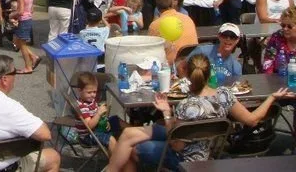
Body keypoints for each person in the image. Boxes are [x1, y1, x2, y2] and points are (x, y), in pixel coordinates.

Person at [107, 54, 290, 171]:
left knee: (134, 148)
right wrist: (271, 98)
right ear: (209, 73)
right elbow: (252, 120)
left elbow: (177, 144)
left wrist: (166, 113)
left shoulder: (186, 106)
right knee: (130, 133)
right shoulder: (224, 95)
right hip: (207, 147)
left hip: (188, 158)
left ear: (187, 75)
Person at [148, 0, 198, 65]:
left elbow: (151, 49)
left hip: (170, 66)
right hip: (193, 61)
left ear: (157, 9)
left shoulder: (155, 25)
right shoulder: (188, 19)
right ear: (172, 4)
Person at [74, 72, 117, 152]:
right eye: (89, 92)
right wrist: (98, 113)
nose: (93, 95)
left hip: (97, 129)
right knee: (111, 140)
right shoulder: (82, 106)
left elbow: (98, 118)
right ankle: (117, 162)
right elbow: (89, 126)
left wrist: (105, 121)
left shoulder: (91, 101)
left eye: (94, 92)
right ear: (80, 90)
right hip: (88, 136)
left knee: (117, 121)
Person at [10, 0, 41, 73]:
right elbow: (31, 10)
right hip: (29, 19)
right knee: (17, 40)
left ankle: (28, 67)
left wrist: (11, 15)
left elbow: (20, 11)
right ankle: (33, 56)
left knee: (22, 45)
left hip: (23, 20)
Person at [262, 6, 296, 73]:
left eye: (289, 26)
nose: (285, 29)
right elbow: (268, 62)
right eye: (283, 25)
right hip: (278, 79)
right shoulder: (276, 37)